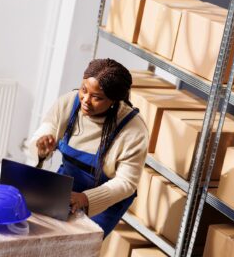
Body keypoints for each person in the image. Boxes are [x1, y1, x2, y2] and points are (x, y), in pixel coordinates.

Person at [28, 58, 148, 237]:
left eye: (97, 97)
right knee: (40, 235)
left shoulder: (133, 129)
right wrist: (41, 147)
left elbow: (126, 182)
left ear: (114, 100)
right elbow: (48, 128)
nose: (86, 100)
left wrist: (85, 198)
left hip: (106, 197)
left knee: (78, 246)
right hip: (66, 185)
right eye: (84, 90)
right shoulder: (69, 103)